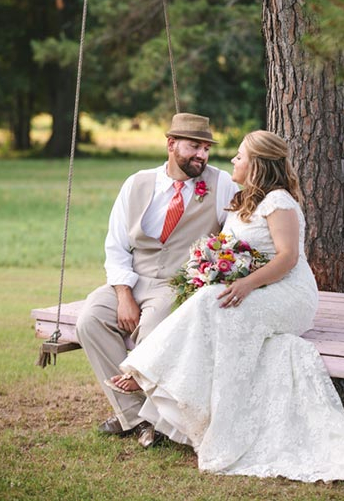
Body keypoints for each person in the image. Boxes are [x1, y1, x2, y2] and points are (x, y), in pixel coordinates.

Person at [106, 130, 344, 483]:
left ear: (257, 164)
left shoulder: (279, 202)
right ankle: (159, 380)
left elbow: (289, 258)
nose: (232, 160)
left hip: (288, 294)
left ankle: (147, 373)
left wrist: (245, 283)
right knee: (209, 304)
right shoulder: (245, 201)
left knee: (213, 306)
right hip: (257, 287)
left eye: (239, 156)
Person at [76, 113, 238, 447]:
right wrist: (123, 294)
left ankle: (155, 421)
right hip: (134, 278)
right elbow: (116, 245)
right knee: (90, 320)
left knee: (155, 328)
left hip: (178, 284)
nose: (202, 156)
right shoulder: (136, 183)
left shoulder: (222, 184)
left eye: (206, 148)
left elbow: (236, 237)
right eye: (194, 146)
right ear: (171, 144)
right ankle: (136, 418)